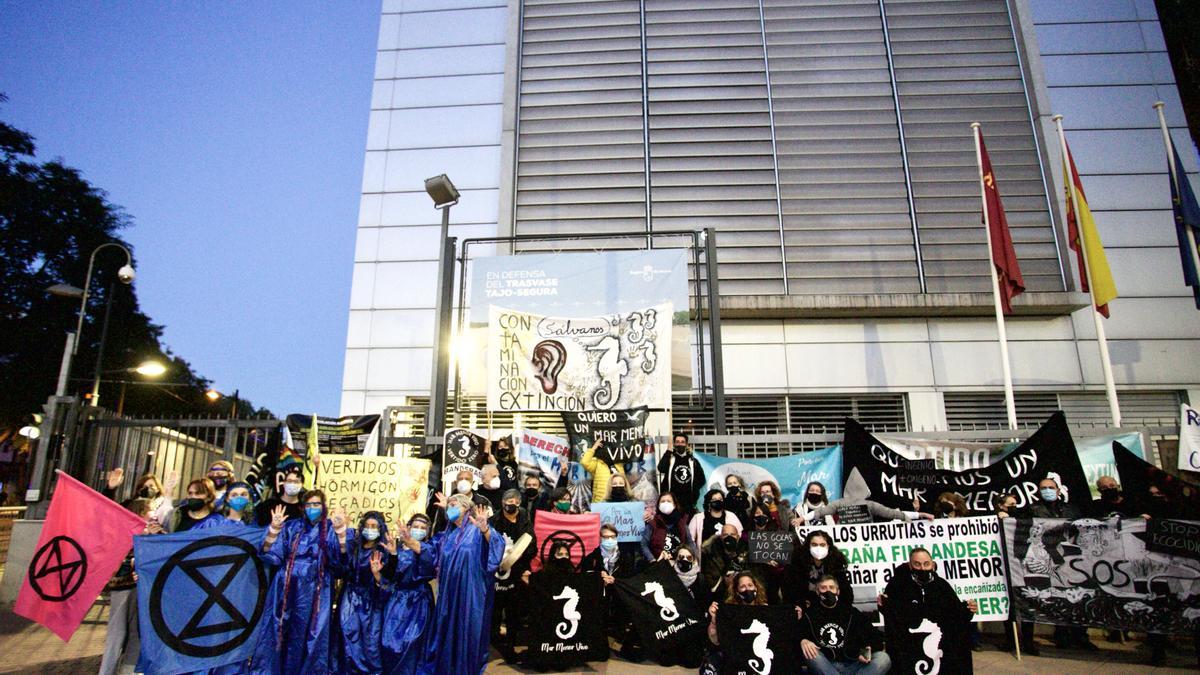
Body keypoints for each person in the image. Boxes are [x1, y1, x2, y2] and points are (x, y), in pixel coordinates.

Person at [252, 489, 349, 674]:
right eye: (309, 504)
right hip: (287, 585)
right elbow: (271, 555)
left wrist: (341, 534)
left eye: (317, 504)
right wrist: (273, 530)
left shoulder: (329, 528)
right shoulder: (291, 526)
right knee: (280, 630)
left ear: (324, 506)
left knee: (314, 634)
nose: (313, 508)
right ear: (303, 507)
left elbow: (341, 562)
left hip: (317, 587)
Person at [419, 494, 505, 675]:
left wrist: (485, 530)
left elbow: (497, 547)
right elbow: (431, 553)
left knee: (468, 632)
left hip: (472, 593)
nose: (450, 508)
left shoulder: (476, 528)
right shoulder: (447, 534)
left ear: (466, 508)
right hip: (449, 594)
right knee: (447, 631)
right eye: (448, 505)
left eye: (454, 505)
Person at [1019, 476, 1095, 653]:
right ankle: (1028, 642)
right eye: (1043, 488)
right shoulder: (1032, 509)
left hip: (1066, 559)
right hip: (1040, 559)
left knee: (1070, 596)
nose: (1047, 490)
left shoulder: (1072, 509)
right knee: (1033, 597)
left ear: (1058, 490)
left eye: (1050, 487)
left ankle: (1073, 636)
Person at [879, 547, 976, 674]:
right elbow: (893, 616)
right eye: (917, 564)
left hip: (937, 647)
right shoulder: (897, 584)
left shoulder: (941, 585)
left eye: (926, 564)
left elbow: (955, 614)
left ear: (933, 565)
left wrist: (969, 610)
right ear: (910, 565)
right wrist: (883, 605)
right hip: (910, 648)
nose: (922, 568)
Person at [99, 498, 163, 675]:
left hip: (143, 589)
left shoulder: (155, 531)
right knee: (117, 632)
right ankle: (107, 671)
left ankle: (129, 670)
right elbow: (118, 559)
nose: (155, 513)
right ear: (141, 512)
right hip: (123, 588)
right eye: (151, 509)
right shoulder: (124, 532)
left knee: (138, 632)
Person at [378, 514, 437, 675]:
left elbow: (429, 568)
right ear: (408, 527)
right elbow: (389, 576)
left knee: (413, 643)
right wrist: (393, 556)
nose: (418, 530)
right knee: (388, 642)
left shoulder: (429, 549)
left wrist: (412, 543)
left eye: (422, 528)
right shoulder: (395, 548)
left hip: (419, 601)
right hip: (397, 600)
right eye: (415, 527)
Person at [801, 575, 889, 674]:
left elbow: (875, 637)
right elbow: (798, 635)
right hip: (828, 665)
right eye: (823, 588)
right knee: (811, 653)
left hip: (854, 663)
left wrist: (865, 651)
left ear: (837, 591)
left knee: (883, 658)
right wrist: (803, 640)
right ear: (817, 592)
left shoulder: (851, 612)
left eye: (831, 587)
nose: (828, 591)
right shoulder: (809, 614)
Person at [337, 511, 391, 674]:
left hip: (373, 601)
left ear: (380, 529)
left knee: (371, 643)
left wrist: (377, 575)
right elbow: (342, 567)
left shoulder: (384, 550)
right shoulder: (354, 546)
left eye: (374, 526)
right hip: (350, 598)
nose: (370, 529)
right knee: (347, 638)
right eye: (367, 526)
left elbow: (389, 582)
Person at [581, 522, 643, 660]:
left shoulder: (625, 557)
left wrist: (616, 580)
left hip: (618, 598)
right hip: (600, 598)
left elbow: (630, 577)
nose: (609, 540)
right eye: (605, 537)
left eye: (612, 537)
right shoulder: (592, 558)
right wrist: (599, 577)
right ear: (600, 538)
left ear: (617, 537)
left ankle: (620, 642)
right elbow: (585, 577)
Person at [490, 488, 535, 662]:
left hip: (518, 572)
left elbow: (532, 544)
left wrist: (520, 562)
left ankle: (510, 645)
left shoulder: (525, 518)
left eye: (516, 502)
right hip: (496, 572)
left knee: (513, 611)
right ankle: (493, 640)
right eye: (509, 502)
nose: (512, 505)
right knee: (495, 609)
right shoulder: (494, 520)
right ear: (502, 503)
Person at [799, 470, 928, 524]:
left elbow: (820, 512)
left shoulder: (839, 503)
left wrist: (919, 514)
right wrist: (918, 515)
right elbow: (892, 513)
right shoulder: (869, 505)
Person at [785, 530, 853, 609]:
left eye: (822, 545)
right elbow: (790, 591)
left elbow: (847, 594)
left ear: (828, 546)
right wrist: (801, 604)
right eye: (814, 544)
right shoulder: (797, 563)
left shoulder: (836, 564)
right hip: (806, 607)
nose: (818, 548)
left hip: (831, 605)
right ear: (808, 546)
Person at [706, 571, 767, 646]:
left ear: (756, 588)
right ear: (737, 592)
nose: (747, 589)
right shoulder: (729, 612)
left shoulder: (765, 609)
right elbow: (715, 641)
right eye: (742, 587)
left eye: (750, 585)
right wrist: (714, 620)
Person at [103, 468, 176, 527]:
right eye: (144, 486)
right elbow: (111, 510)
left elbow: (167, 519)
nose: (147, 489)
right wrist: (111, 488)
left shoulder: (162, 506)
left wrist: (169, 491)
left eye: (151, 486)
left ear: (158, 489)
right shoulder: (130, 504)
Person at [747, 501, 787, 603]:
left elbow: (783, 556)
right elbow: (743, 555)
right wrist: (762, 559)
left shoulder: (777, 533)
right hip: (753, 575)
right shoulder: (745, 535)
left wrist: (776, 562)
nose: (761, 516)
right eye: (757, 514)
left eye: (763, 514)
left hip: (774, 577)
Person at [689, 488, 743, 563]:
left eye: (720, 499)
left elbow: (740, 535)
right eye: (714, 499)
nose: (718, 501)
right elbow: (690, 539)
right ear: (708, 502)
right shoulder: (698, 518)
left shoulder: (731, 516)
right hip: (705, 560)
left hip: (727, 559)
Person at [657, 432, 705, 515]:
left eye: (682, 442)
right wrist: (668, 451)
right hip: (671, 504)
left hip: (688, 505)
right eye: (677, 442)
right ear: (674, 444)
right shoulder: (670, 459)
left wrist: (692, 493)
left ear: (686, 444)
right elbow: (661, 468)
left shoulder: (693, 461)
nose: (680, 444)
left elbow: (702, 480)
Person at [701, 523, 749, 601]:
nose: (729, 537)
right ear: (720, 537)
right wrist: (724, 583)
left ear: (738, 537)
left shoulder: (747, 551)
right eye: (725, 534)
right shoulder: (711, 554)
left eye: (732, 534)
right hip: (721, 596)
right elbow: (710, 585)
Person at [642, 492, 692, 561]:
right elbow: (644, 544)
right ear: (658, 505)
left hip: (678, 564)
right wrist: (652, 559)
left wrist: (694, 559)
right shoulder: (652, 523)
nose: (666, 503)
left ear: (674, 505)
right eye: (663, 501)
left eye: (669, 501)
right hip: (658, 564)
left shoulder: (682, 524)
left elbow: (690, 543)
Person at [580, 438, 627, 503]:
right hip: (601, 501)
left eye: (612, 448)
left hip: (619, 500)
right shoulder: (598, 463)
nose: (609, 450)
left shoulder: (619, 463)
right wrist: (593, 448)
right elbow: (584, 462)